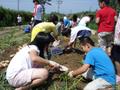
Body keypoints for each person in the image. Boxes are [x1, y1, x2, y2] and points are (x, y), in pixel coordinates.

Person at [110, 0, 120, 84]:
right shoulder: (116, 12)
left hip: (118, 41)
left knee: (117, 57)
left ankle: (119, 76)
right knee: (113, 54)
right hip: (116, 39)